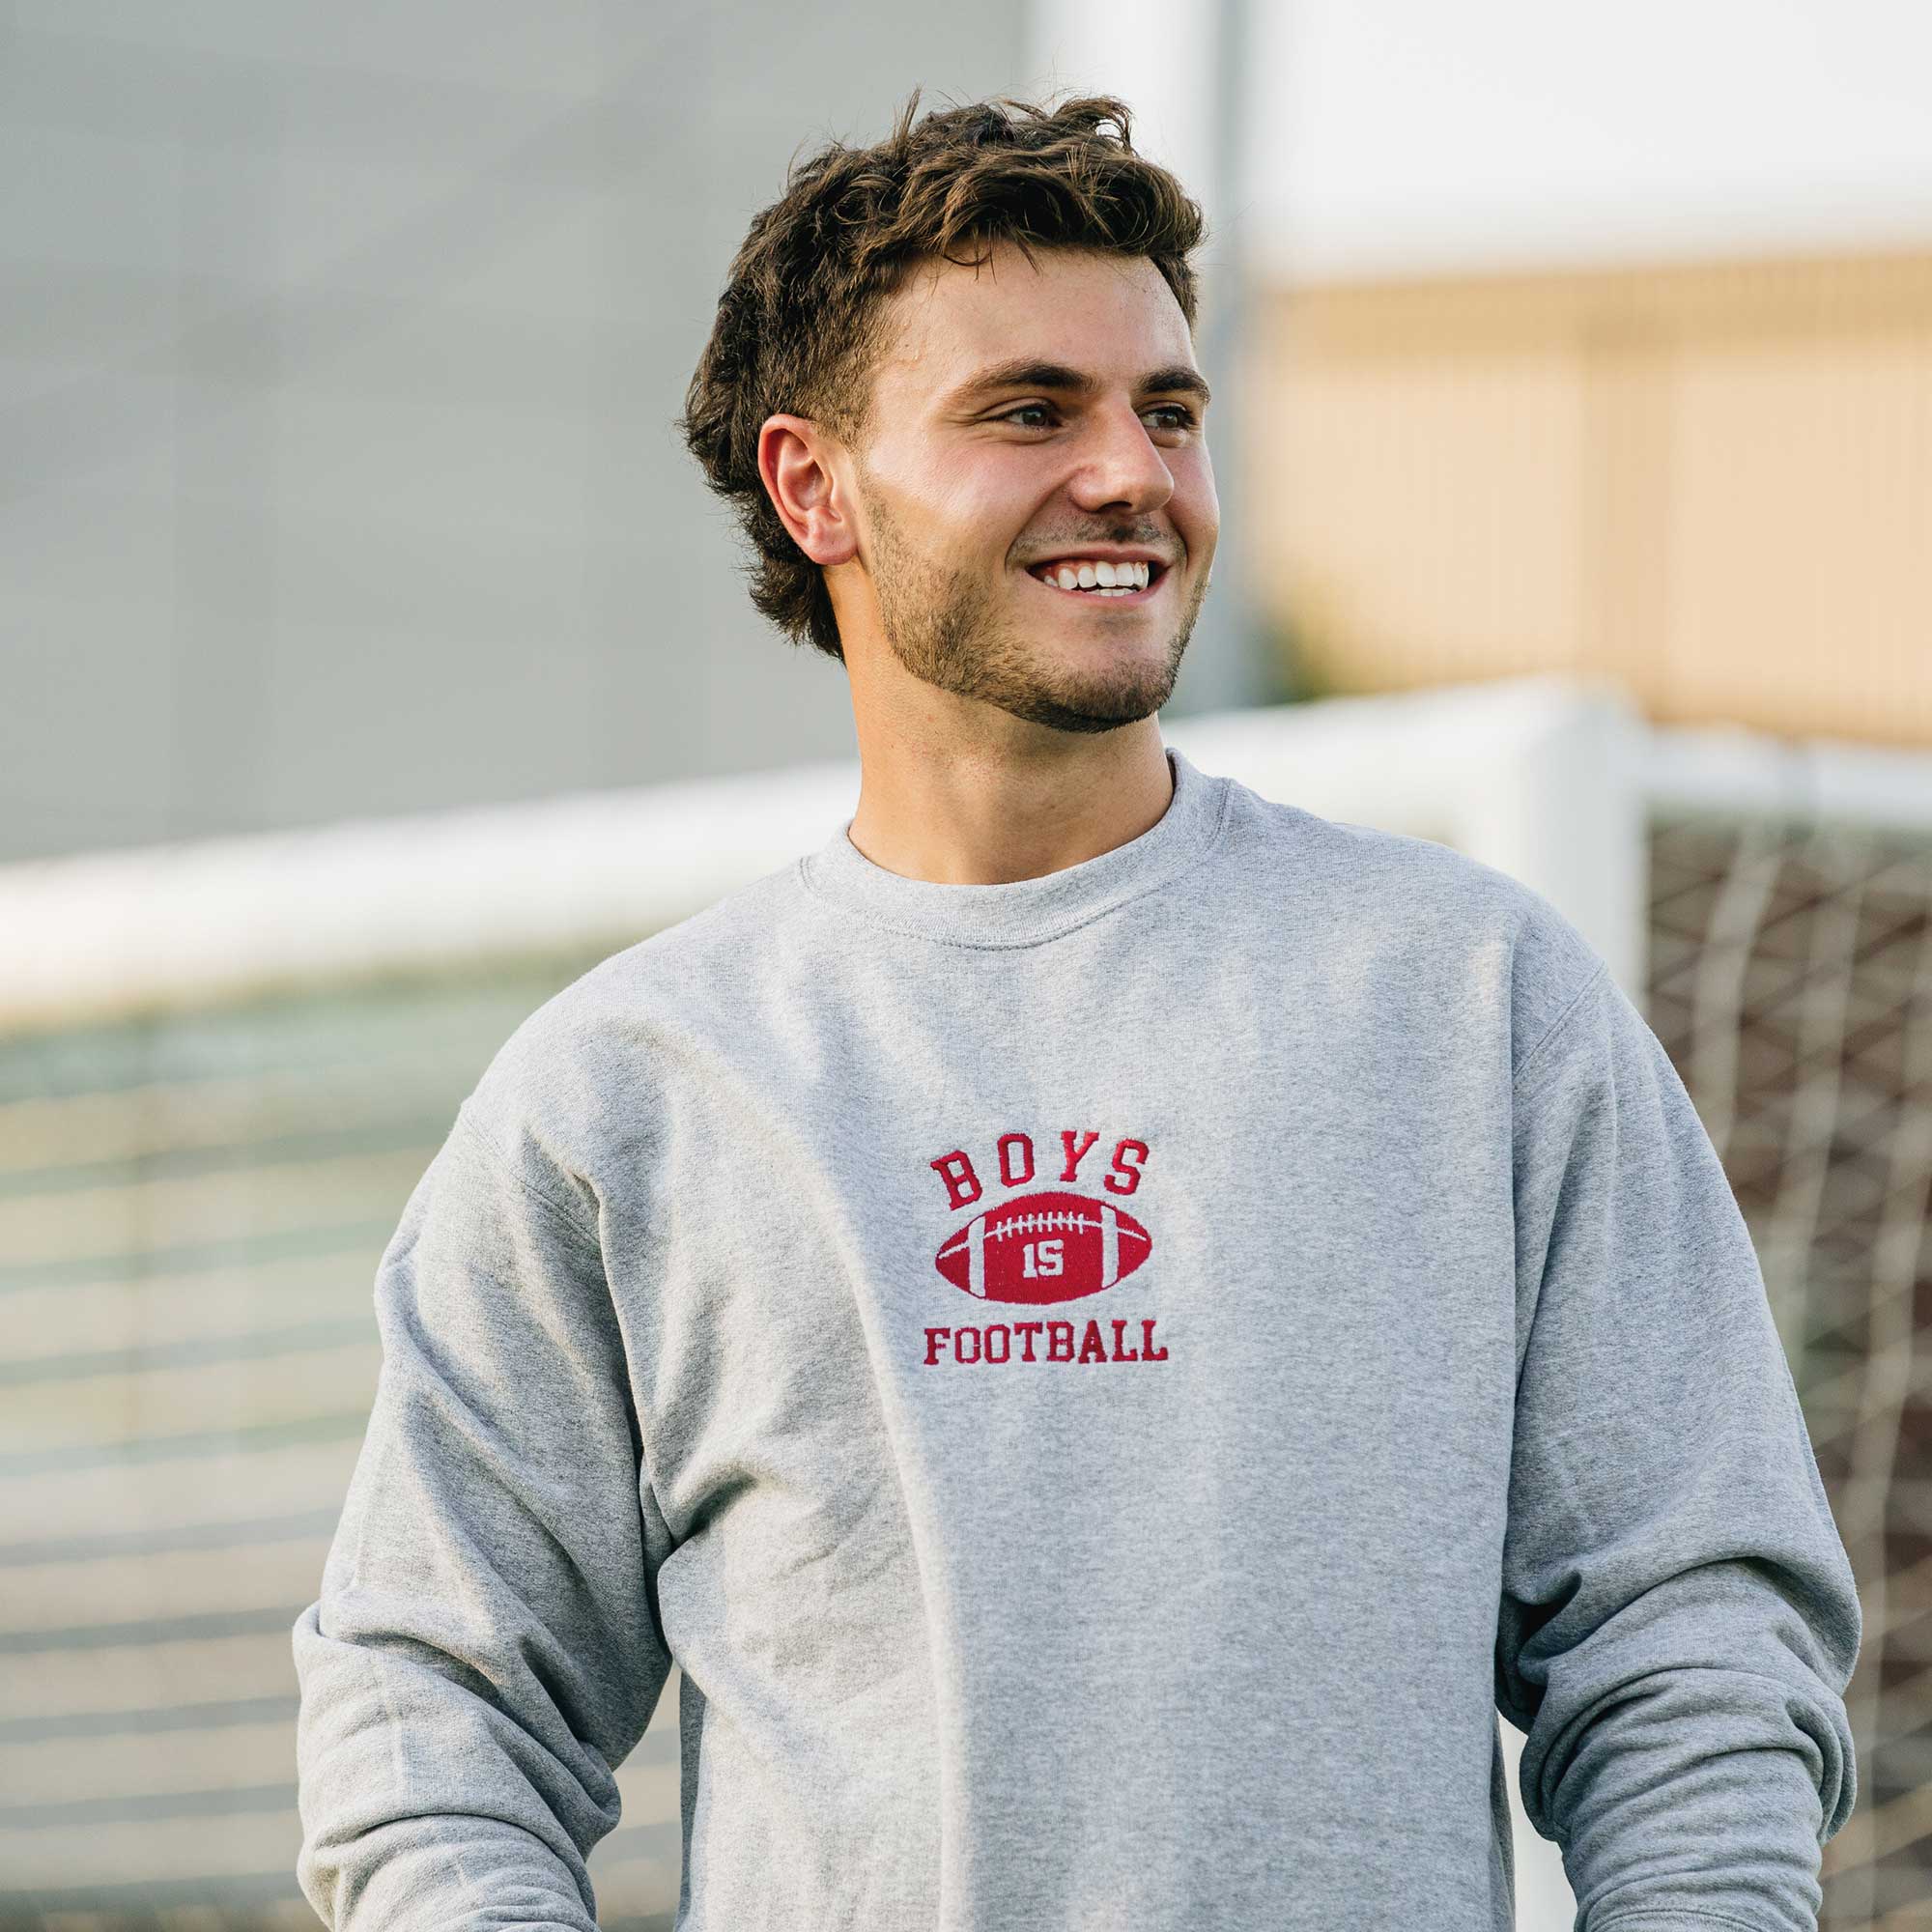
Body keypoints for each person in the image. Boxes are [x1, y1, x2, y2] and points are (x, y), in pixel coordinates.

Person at [293, 91, 1860, 1931]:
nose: (1133, 473)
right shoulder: (633, 1092)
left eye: (1169, 412)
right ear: (817, 489)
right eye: (1031, 410)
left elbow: (1695, 1643)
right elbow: (432, 1712)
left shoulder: (1473, 1000)